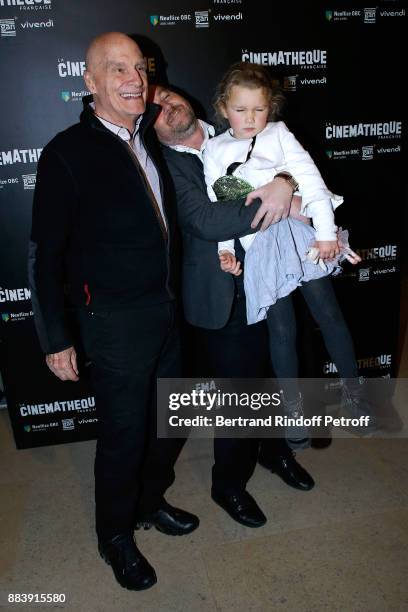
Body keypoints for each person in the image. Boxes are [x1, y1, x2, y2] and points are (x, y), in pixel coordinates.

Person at [28, 32, 200, 592]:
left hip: (170, 314)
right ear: (90, 83)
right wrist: (56, 337)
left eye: (141, 68)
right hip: (115, 326)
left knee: (170, 423)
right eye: (117, 69)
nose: (134, 78)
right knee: (124, 436)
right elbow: (44, 255)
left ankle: (150, 502)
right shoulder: (66, 153)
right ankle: (115, 536)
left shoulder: (149, 135)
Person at [152, 84, 315, 529]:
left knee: (276, 372)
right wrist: (278, 201)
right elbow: (203, 221)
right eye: (154, 107)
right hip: (224, 292)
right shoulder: (165, 163)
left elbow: (291, 162)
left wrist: (288, 182)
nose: (165, 106)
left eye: (166, 95)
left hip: (275, 276)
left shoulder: (237, 125)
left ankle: (274, 449)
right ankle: (228, 485)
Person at [203, 61, 375, 443]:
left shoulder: (279, 134)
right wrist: (225, 251)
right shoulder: (213, 149)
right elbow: (219, 204)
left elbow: (311, 179)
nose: (250, 119)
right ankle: (293, 412)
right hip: (261, 247)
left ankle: (353, 393)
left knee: (329, 315)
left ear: (271, 107)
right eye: (240, 109)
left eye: (259, 109)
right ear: (223, 107)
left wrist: (327, 233)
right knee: (282, 330)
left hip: (301, 238)